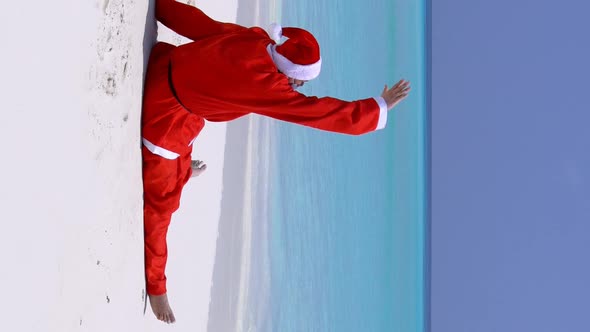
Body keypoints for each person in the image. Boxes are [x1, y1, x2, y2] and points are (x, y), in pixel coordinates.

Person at [142, 0, 411, 324]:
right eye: (300, 82)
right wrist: (379, 106)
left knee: (189, 137)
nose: (298, 87)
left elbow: (201, 26)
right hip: (163, 118)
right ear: (290, 73)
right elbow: (322, 113)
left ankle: (185, 168)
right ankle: (157, 285)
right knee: (164, 203)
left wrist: (163, 8)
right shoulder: (269, 86)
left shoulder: (258, 41)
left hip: (165, 64)